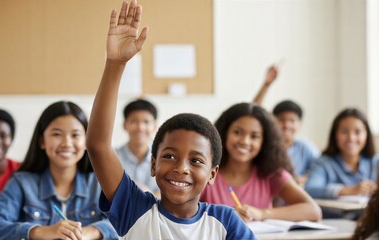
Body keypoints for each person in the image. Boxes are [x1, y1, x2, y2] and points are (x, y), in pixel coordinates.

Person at [86, 1, 255, 239]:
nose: (181, 168)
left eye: (196, 161)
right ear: (153, 165)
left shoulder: (225, 221)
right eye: (170, 156)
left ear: (212, 174)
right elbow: (97, 145)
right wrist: (115, 64)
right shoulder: (134, 209)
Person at [0, 101, 118, 240]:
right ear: (42, 141)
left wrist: (89, 232)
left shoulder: (99, 183)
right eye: (56, 134)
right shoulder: (22, 183)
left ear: (86, 141)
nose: (66, 143)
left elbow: (127, 222)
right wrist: (39, 231)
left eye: (75, 135)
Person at [200, 102, 321, 222]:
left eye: (254, 136)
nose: (245, 141)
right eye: (237, 132)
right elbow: (183, 212)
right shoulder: (205, 172)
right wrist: (227, 214)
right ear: (224, 133)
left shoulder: (271, 173)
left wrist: (262, 213)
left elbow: (313, 211)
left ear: (265, 142)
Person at [253, 66, 320, 185]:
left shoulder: (304, 147)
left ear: (299, 125)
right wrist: (266, 84)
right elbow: (254, 112)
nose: (287, 125)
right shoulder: (266, 145)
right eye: (281, 120)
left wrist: (306, 178)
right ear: (272, 122)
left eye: (292, 121)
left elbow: (321, 166)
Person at [305, 108, 379, 200]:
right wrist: (349, 190)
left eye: (358, 132)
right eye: (344, 131)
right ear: (335, 135)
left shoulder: (377, 162)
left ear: (367, 135)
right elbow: (310, 190)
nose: (351, 138)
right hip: (335, 214)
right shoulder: (322, 163)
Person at [115, 98, 159, 195]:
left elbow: (167, 195)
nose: (140, 127)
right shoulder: (114, 158)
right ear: (125, 125)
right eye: (134, 121)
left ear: (155, 126)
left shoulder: (163, 158)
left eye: (146, 122)